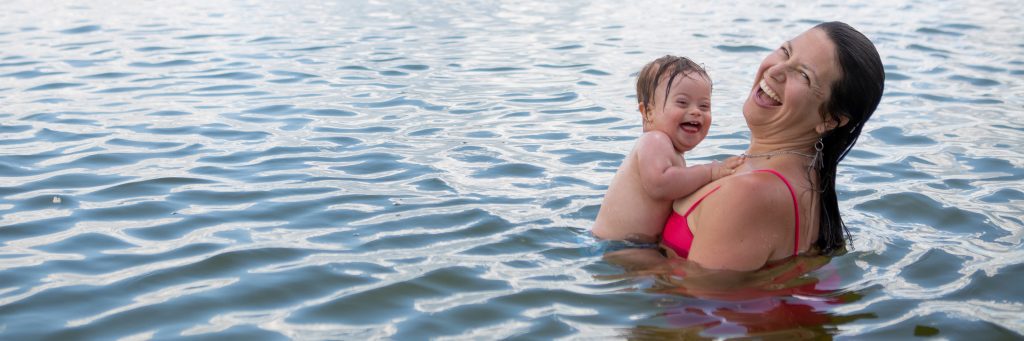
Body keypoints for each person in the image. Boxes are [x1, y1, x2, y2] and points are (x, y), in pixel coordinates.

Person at [659, 21, 884, 270]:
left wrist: (626, 258)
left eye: (804, 75)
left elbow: (696, 303)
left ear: (830, 119)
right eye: (786, 51)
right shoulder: (809, 181)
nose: (776, 70)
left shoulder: (748, 194)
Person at [592, 55, 743, 244]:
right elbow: (660, 184)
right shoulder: (655, 140)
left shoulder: (668, 149)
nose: (696, 111)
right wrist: (710, 172)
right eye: (682, 102)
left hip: (631, 244)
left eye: (704, 106)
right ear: (648, 112)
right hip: (619, 245)